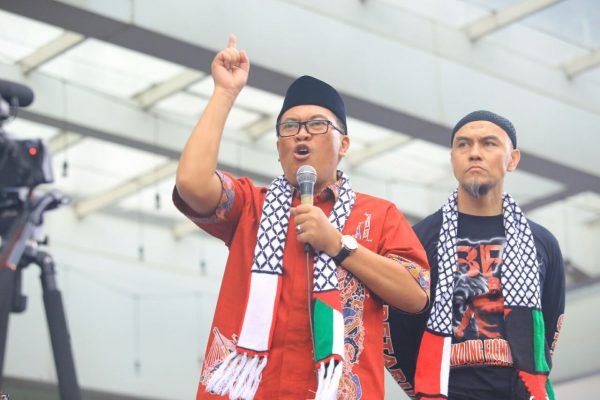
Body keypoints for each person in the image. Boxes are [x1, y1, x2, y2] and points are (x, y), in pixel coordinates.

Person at [173, 35, 431, 400]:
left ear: (343, 145)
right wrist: (224, 94)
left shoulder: (379, 215)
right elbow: (191, 184)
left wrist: (338, 244)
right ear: (279, 149)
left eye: (317, 124)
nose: (302, 134)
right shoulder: (251, 206)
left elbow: (417, 294)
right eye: (289, 127)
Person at [385, 110, 565, 400]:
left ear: (513, 159)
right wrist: (424, 389)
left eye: (489, 144)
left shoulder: (541, 242)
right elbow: (394, 328)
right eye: (463, 144)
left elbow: (548, 325)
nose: (474, 153)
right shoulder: (418, 238)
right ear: (453, 158)